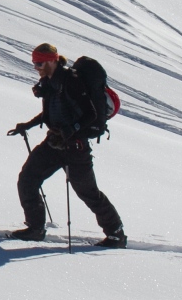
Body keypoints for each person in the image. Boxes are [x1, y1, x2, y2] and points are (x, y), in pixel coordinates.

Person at [7, 43, 126, 247]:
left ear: (52, 60)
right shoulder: (49, 82)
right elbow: (50, 112)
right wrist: (27, 125)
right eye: (34, 63)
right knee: (27, 179)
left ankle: (116, 234)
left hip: (75, 148)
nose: (36, 67)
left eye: (39, 62)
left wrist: (73, 129)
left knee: (88, 192)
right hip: (53, 143)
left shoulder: (71, 81)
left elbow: (91, 114)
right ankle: (35, 229)